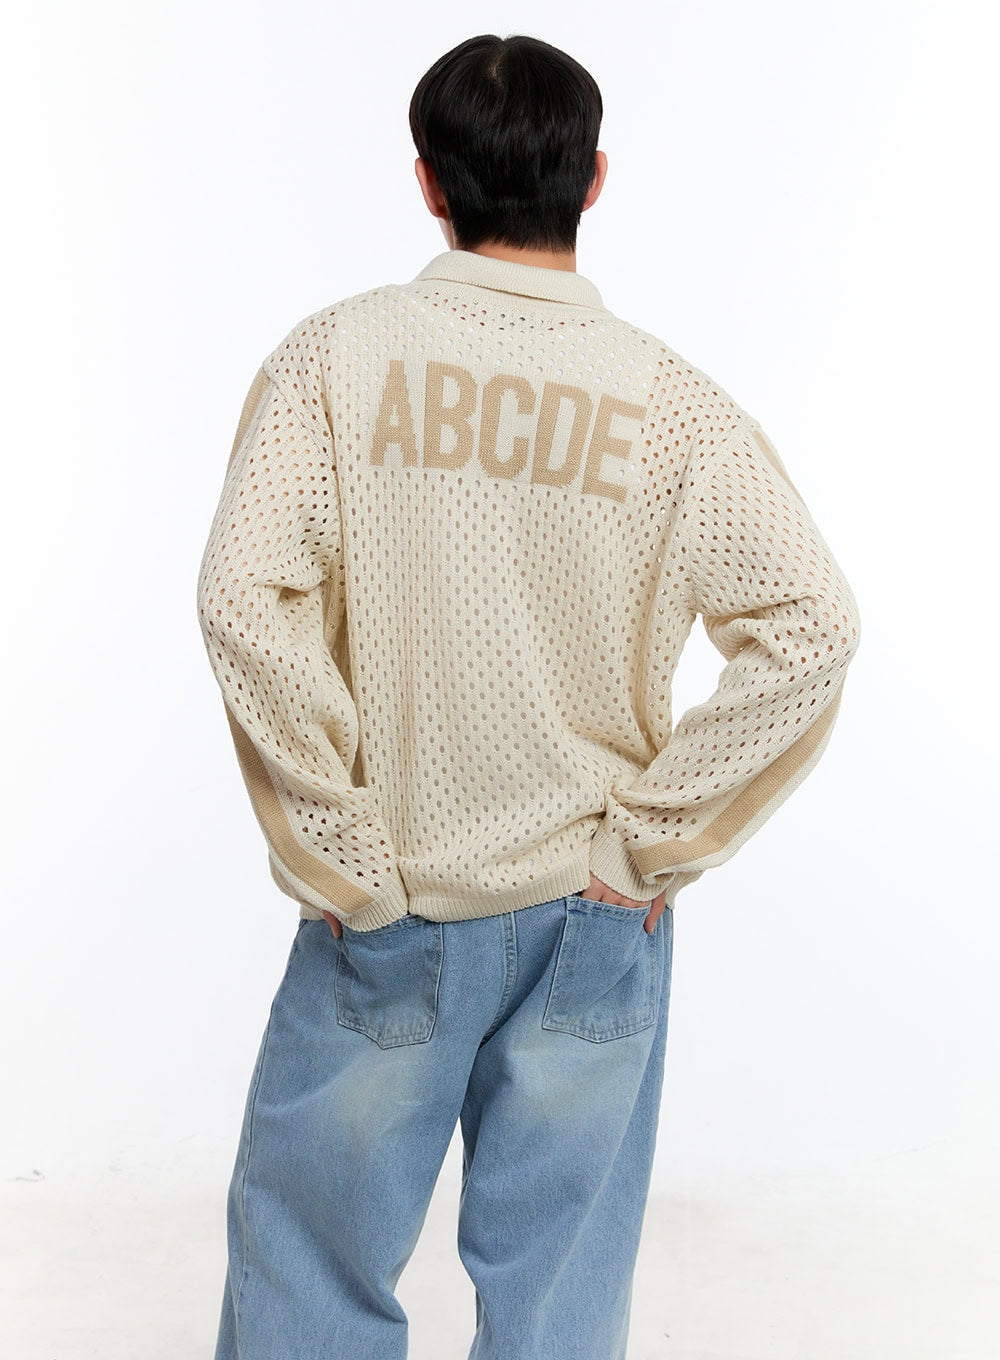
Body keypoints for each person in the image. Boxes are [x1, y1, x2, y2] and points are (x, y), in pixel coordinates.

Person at [196, 31, 861, 1360]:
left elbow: (240, 597)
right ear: (594, 179)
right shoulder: (675, 408)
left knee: (311, 1273)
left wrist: (338, 845)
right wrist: (647, 846)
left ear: (429, 181)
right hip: (592, 915)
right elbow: (815, 625)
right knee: (559, 1303)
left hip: (389, 902)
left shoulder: (333, 362)